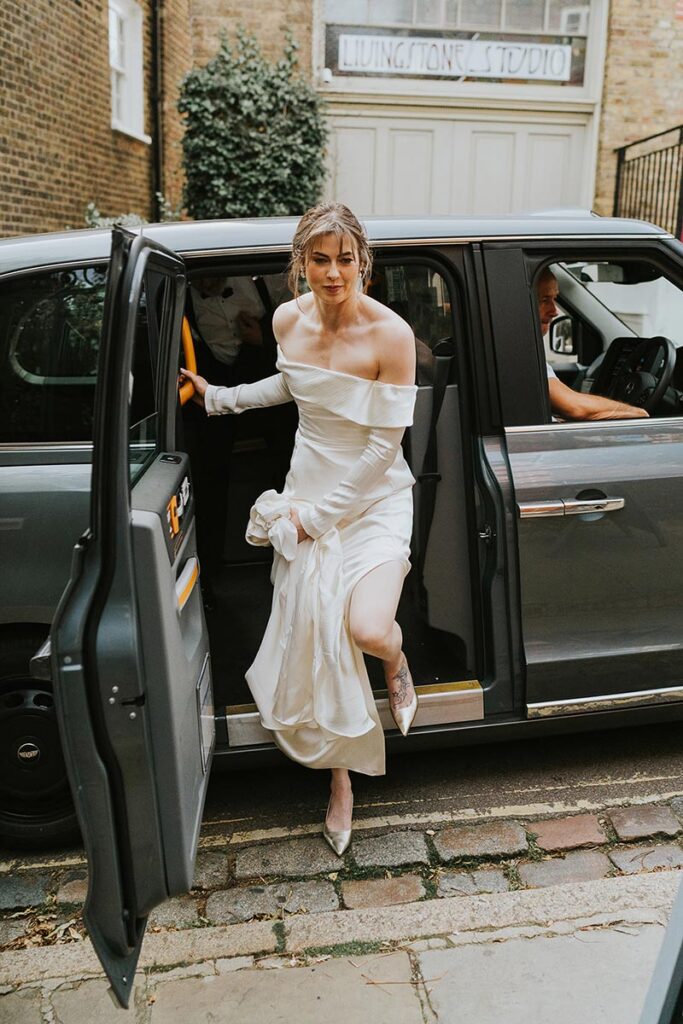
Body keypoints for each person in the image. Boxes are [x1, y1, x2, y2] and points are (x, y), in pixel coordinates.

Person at [180, 203, 418, 855]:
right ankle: (340, 785)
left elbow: (380, 449)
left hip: (370, 498)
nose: (333, 272)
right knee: (322, 643)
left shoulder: (391, 336)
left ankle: (396, 661)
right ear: (300, 264)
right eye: (319, 259)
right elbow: (292, 387)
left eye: (345, 258)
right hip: (309, 491)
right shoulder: (288, 319)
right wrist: (217, 396)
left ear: (362, 262)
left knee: (365, 629)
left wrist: (319, 517)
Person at [537, 267, 649, 420]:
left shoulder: (523, 348)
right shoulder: (516, 352)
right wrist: (638, 413)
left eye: (554, 299)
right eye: (544, 300)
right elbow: (575, 407)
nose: (554, 311)